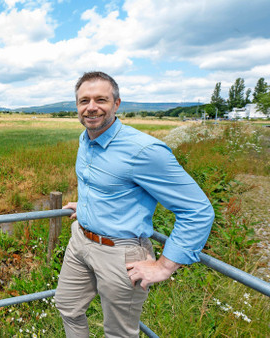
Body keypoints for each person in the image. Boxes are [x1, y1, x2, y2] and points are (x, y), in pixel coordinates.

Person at [53, 71, 215, 337]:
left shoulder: (144, 151)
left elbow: (197, 210)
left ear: (116, 104)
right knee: (67, 307)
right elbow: (102, 184)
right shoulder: (86, 139)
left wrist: (164, 266)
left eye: (100, 100)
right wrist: (84, 206)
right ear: (77, 106)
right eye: (84, 101)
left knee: (119, 332)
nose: (91, 107)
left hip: (120, 255)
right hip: (79, 241)